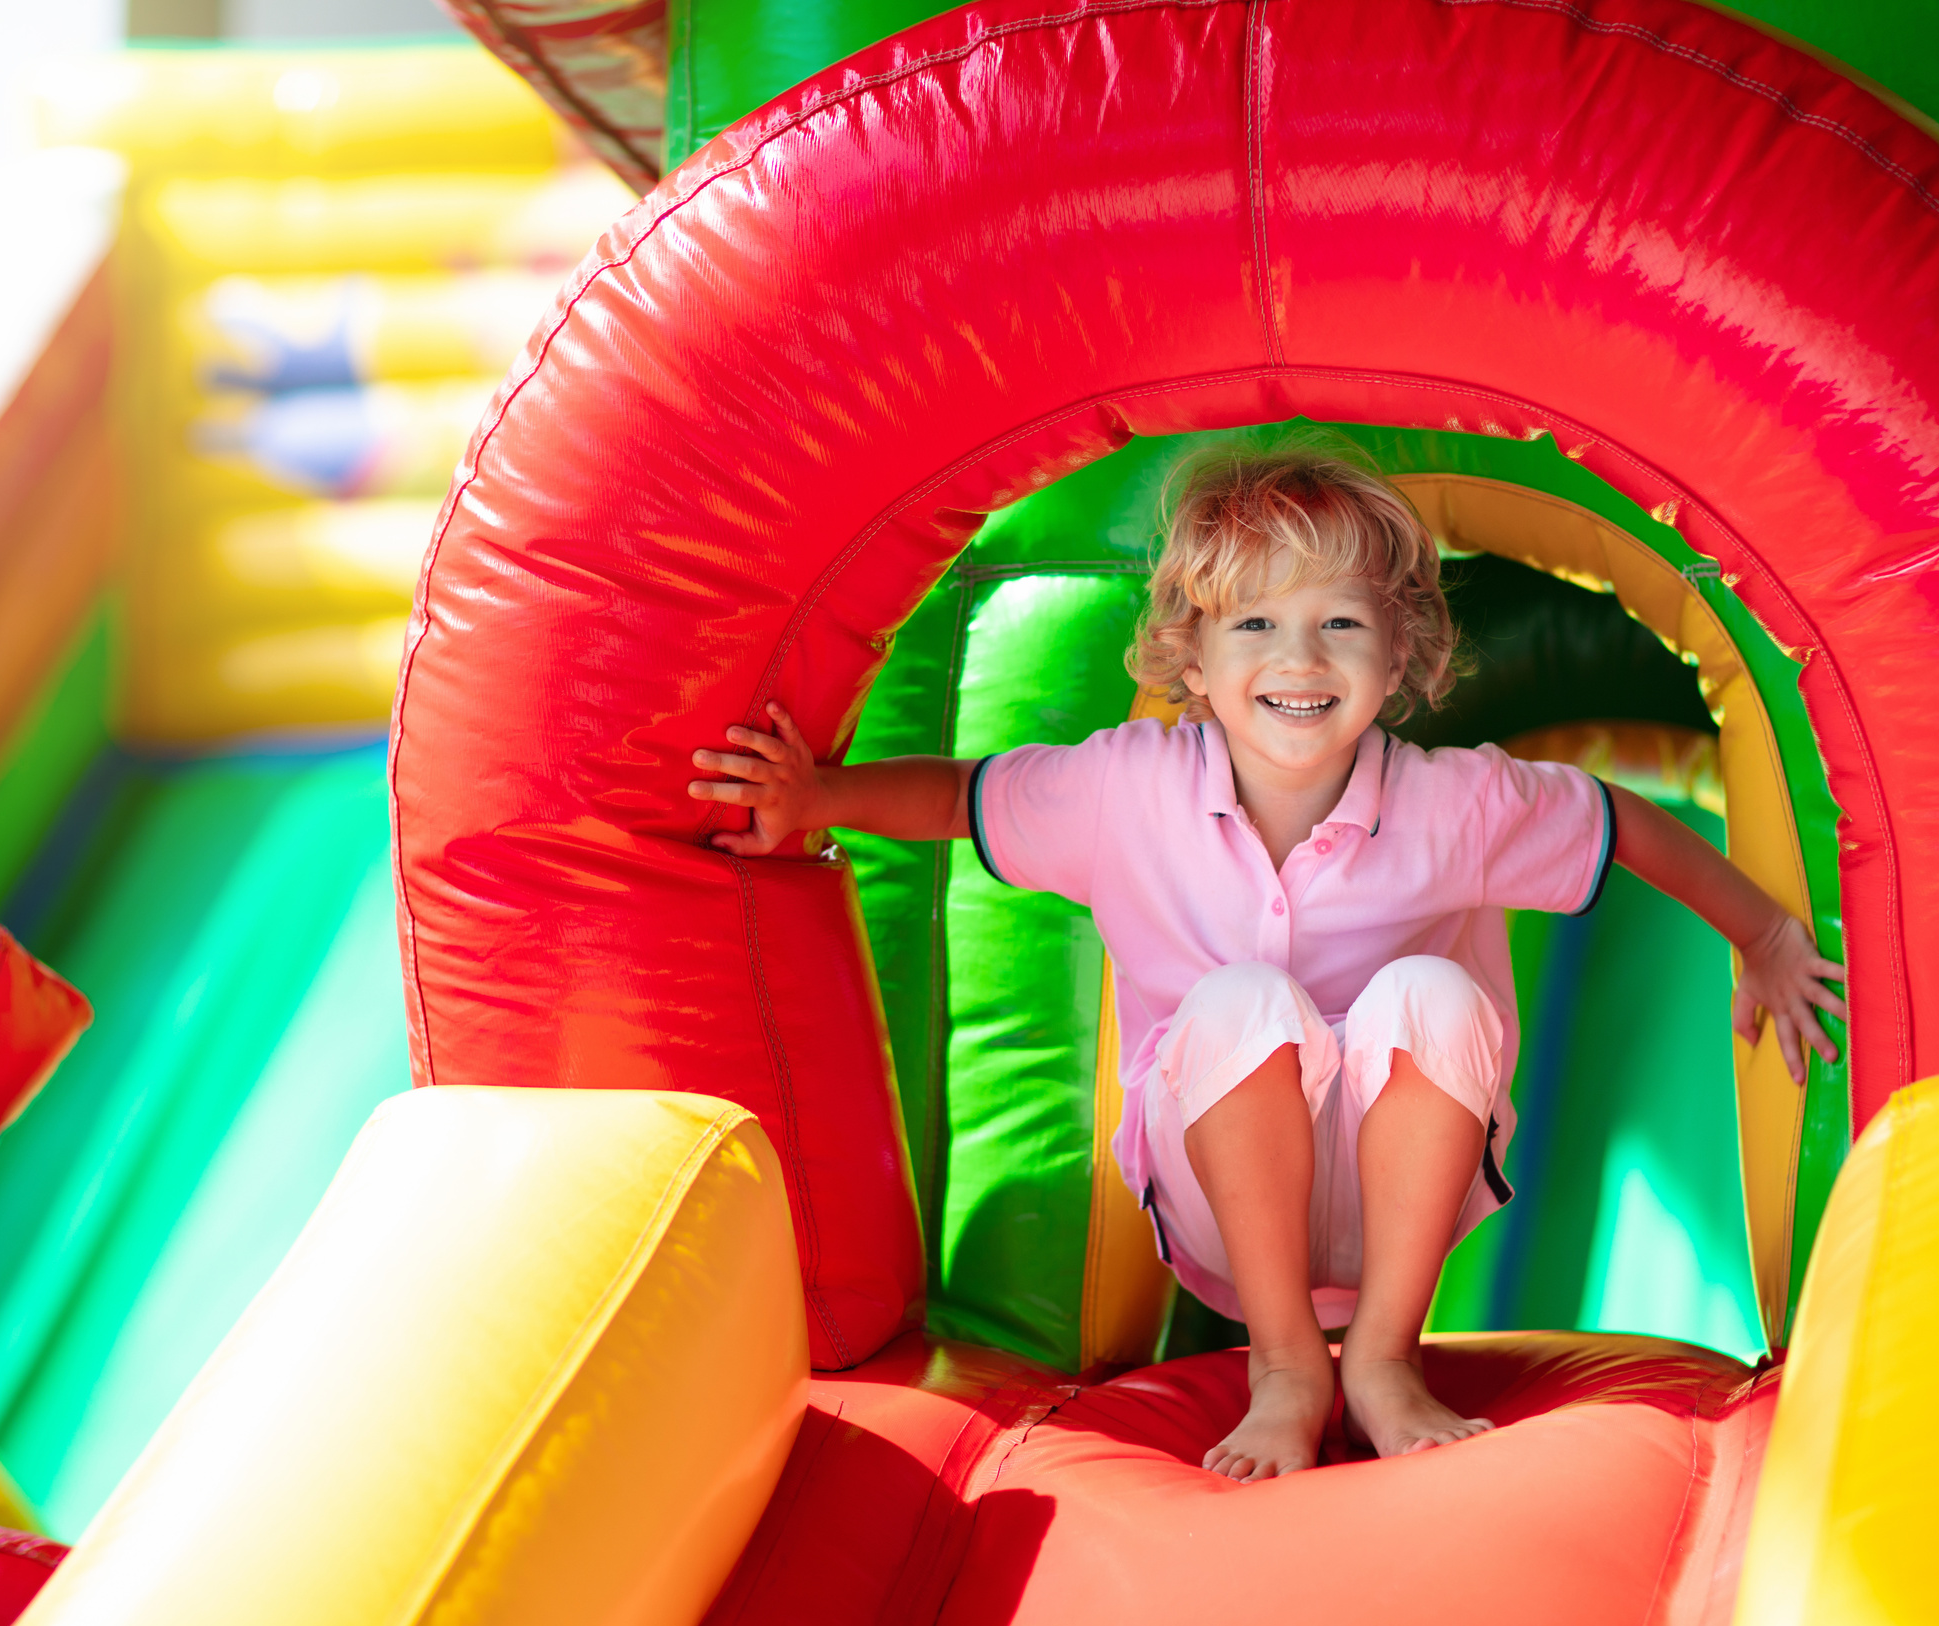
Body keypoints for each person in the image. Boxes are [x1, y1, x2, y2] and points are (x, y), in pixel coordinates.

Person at [688, 444, 1845, 1482]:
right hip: (1221, 1204)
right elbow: (961, 795)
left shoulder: (1455, 803)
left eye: (1340, 623)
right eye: (1254, 625)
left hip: (1402, 1185)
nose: (1299, 657)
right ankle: (1288, 1365)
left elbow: (1617, 822)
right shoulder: (1125, 790)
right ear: (1190, 658)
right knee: (1245, 1003)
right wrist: (820, 799)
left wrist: (1768, 939)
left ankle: (1385, 1360)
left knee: (1428, 993)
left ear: (1401, 657)